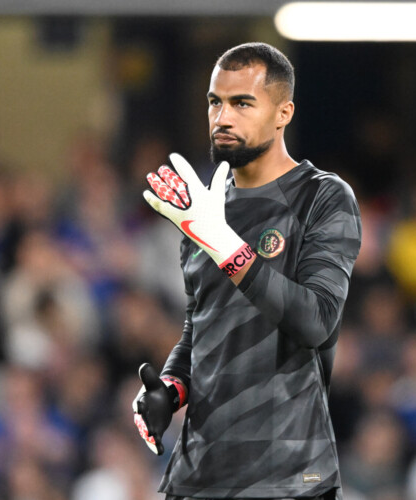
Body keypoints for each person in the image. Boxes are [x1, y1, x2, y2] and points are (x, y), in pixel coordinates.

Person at [133, 42, 362, 500]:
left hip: (289, 477)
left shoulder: (322, 197)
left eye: (242, 103)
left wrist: (223, 244)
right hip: (198, 477)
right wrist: (171, 389)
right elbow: (201, 325)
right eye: (214, 102)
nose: (222, 117)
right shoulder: (205, 210)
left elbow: (316, 322)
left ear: (283, 113)